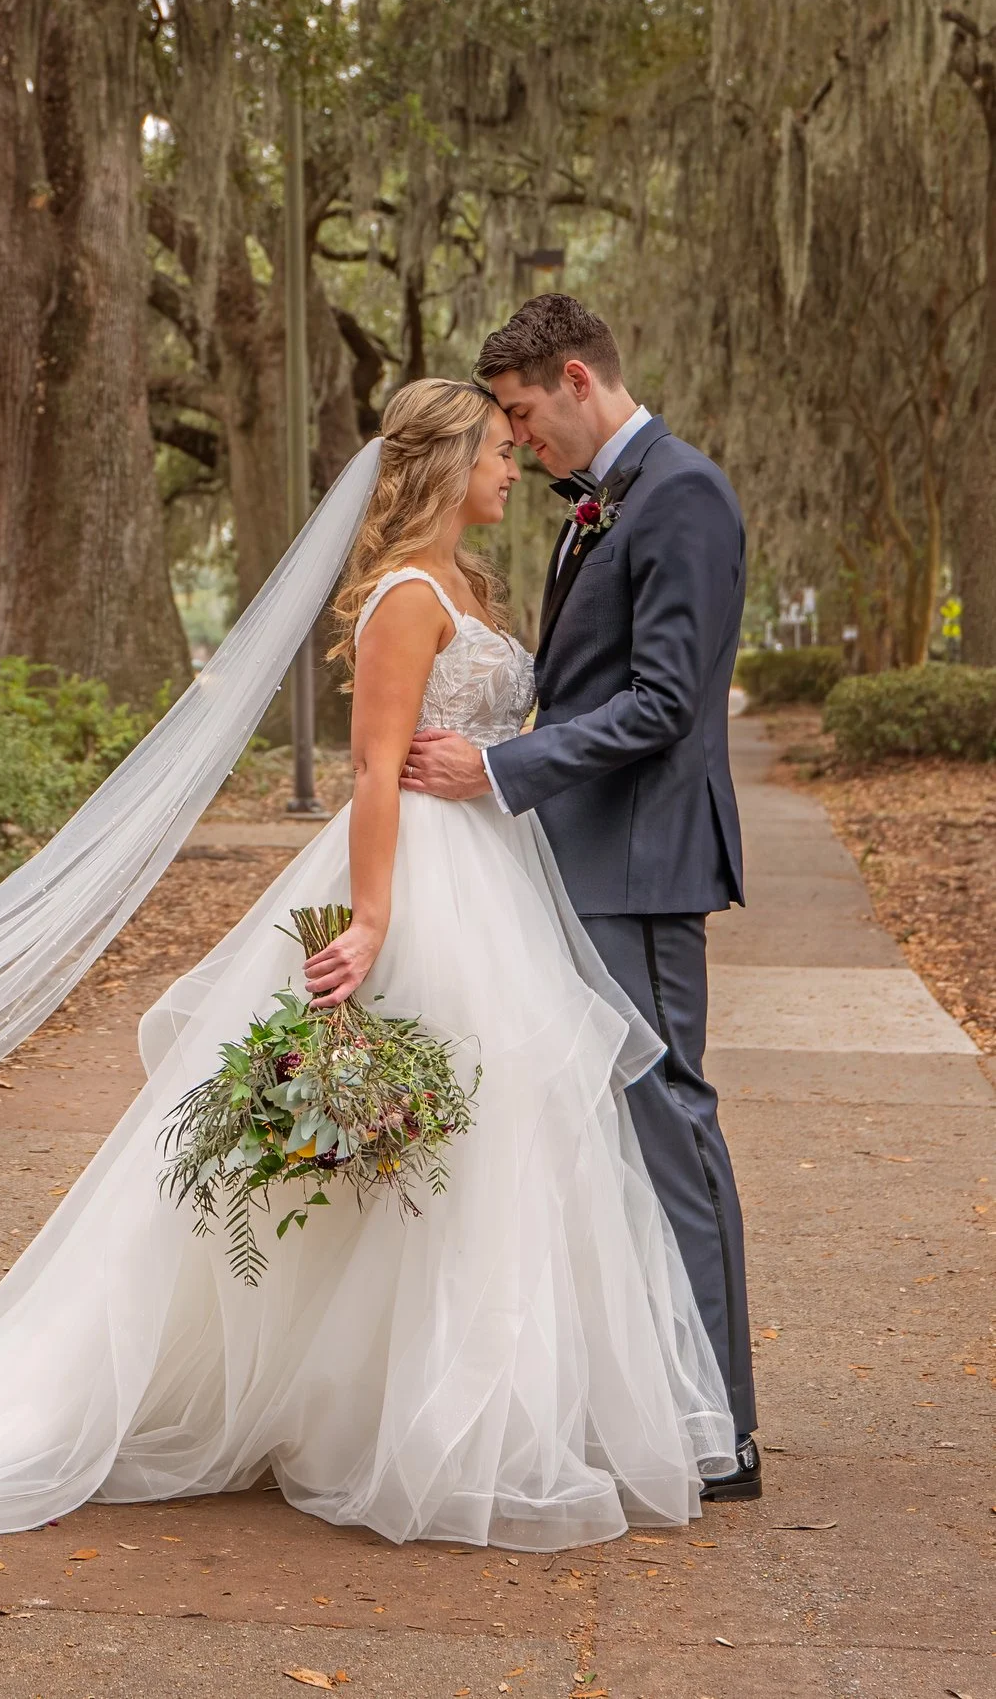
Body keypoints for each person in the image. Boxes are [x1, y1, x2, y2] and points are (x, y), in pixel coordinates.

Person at [0, 377, 736, 1550]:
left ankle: (459, 1408)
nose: (515, 465)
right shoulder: (407, 600)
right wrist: (368, 921)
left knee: (484, 1147)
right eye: (496, 450)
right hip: (416, 879)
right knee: (432, 1144)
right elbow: (372, 771)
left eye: (516, 447)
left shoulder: (468, 583)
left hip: (495, 874)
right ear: (442, 462)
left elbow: (494, 734)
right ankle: (412, 1422)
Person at [401, 293, 759, 1500]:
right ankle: (651, 1397)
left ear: (572, 376)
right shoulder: (604, 502)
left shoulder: (681, 494)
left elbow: (662, 703)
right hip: (575, 858)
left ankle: (725, 1429)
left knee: (667, 1129)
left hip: (642, 862)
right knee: (597, 1136)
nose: (516, 442)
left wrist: (500, 768)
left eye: (517, 415)